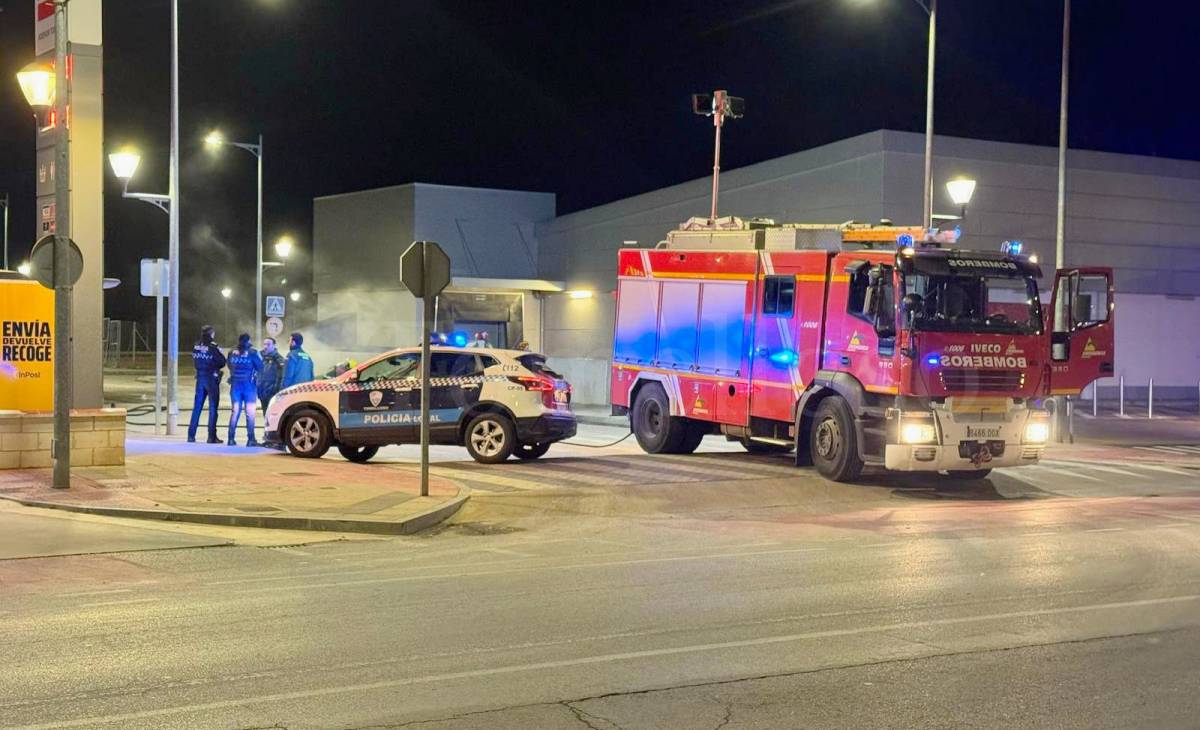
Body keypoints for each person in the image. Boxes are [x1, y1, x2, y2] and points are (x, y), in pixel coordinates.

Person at [187, 325, 225, 444]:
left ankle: (191, 436)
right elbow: (222, 361)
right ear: (211, 334)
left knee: (197, 408)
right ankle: (211, 437)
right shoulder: (213, 346)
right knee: (213, 409)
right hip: (211, 378)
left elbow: (195, 360)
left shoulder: (196, 345)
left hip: (200, 378)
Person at [226, 333, 264, 446]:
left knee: (235, 412)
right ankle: (251, 439)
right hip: (248, 385)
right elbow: (260, 367)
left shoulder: (231, 352)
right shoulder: (252, 352)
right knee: (250, 413)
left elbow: (229, 365)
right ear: (248, 341)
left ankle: (231, 439)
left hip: (235, 384)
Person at [258, 337, 285, 412]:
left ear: (274, 345)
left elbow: (281, 376)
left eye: (268, 344)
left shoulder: (278, 359)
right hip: (261, 391)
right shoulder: (260, 357)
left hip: (272, 392)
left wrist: (276, 389)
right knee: (265, 412)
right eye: (264, 344)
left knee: (271, 413)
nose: (265, 346)